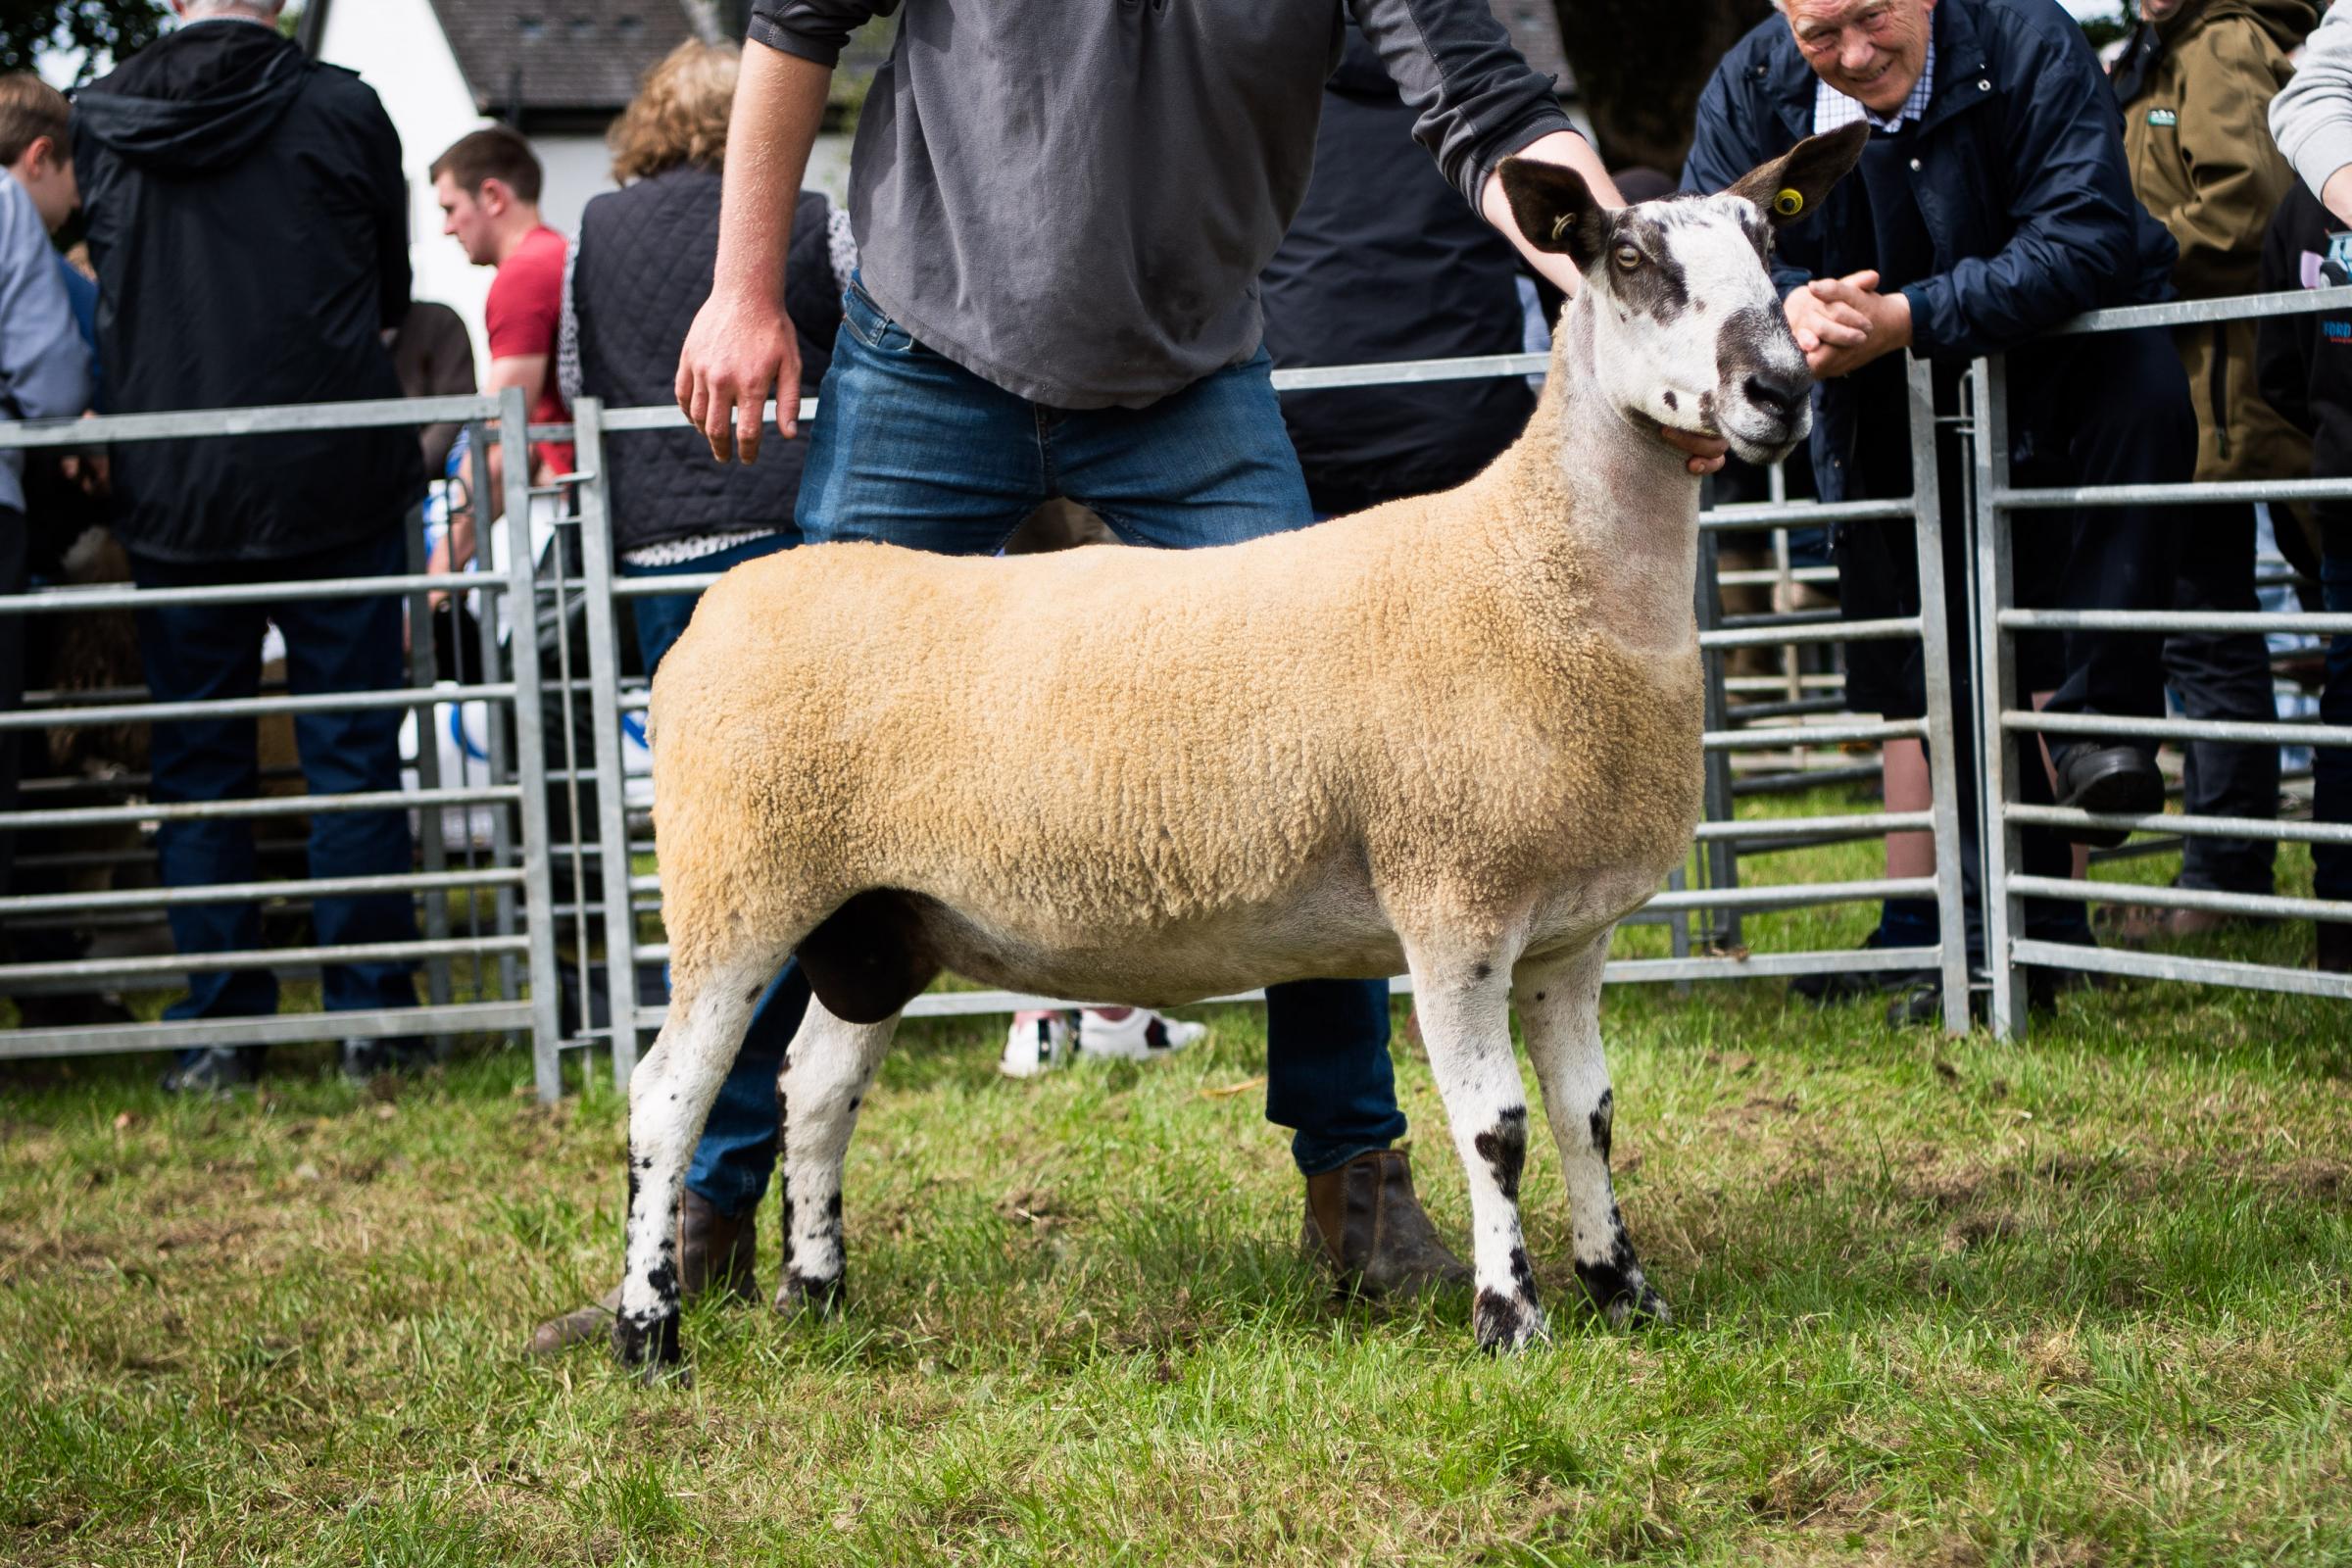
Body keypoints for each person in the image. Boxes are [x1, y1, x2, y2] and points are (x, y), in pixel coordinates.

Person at [596, 0, 1729, 1346]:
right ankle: (700, 1216)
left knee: (1354, 756)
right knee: (799, 767)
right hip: (929, 347)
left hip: (1190, 370)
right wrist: (742, 287)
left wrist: (1662, 309)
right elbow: (794, 21)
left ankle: (1356, 1190)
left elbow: (1484, 104)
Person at [1685, 0, 2197, 1025]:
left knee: (2039, 631)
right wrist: (1783, 308)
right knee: (1946, 658)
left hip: (2063, 375)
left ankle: (2101, 740)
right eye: (1820, 33)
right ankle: (1990, 955)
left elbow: (2090, 230)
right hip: (1881, 406)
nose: (1855, 52)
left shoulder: (2025, 40)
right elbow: (1711, 242)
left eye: (1873, 17)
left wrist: (1912, 317)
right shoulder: (1752, 89)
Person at [73, 0, 427, 1091]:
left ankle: (220, 1029)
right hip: (334, 475)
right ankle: (373, 1022)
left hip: (179, 490)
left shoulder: (102, 116)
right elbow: (389, 291)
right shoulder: (343, 108)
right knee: (354, 762)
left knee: (197, 767)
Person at [2113, 0, 2316, 940]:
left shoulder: (2223, 42)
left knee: (2215, 632)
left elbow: (2249, 197)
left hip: (2238, 398)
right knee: (2217, 631)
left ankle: (2227, 873)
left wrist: (2118, 266)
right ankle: (2233, 868)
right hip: (2209, 392)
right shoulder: (2162, 53)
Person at [2261, 8, 2352, 974]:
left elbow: (2277, 367)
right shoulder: (2306, 204)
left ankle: (2340, 924)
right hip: (2343, 488)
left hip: (2339, 476)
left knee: (2345, 702)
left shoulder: (2297, 205)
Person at [0, 74, 95, 920]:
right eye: (73, 179)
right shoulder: (5, 207)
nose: (76, 202)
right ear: (40, 159)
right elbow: (56, 383)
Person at [427, 126, 571, 582]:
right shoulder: (560, 253)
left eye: (451, 209)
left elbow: (497, 446)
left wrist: (435, 582)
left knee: (541, 654)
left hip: (596, 512)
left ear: (492, 196)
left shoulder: (523, 277)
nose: (447, 227)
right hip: (597, 504)